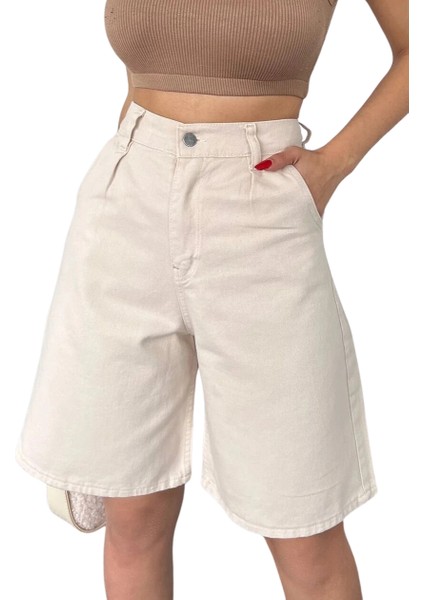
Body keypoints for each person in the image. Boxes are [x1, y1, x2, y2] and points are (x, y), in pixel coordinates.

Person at [15, 0, 408, 598]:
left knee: (304, 524)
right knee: (132, 516)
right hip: (125, 208)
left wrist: (333, 165)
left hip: (264, 207)